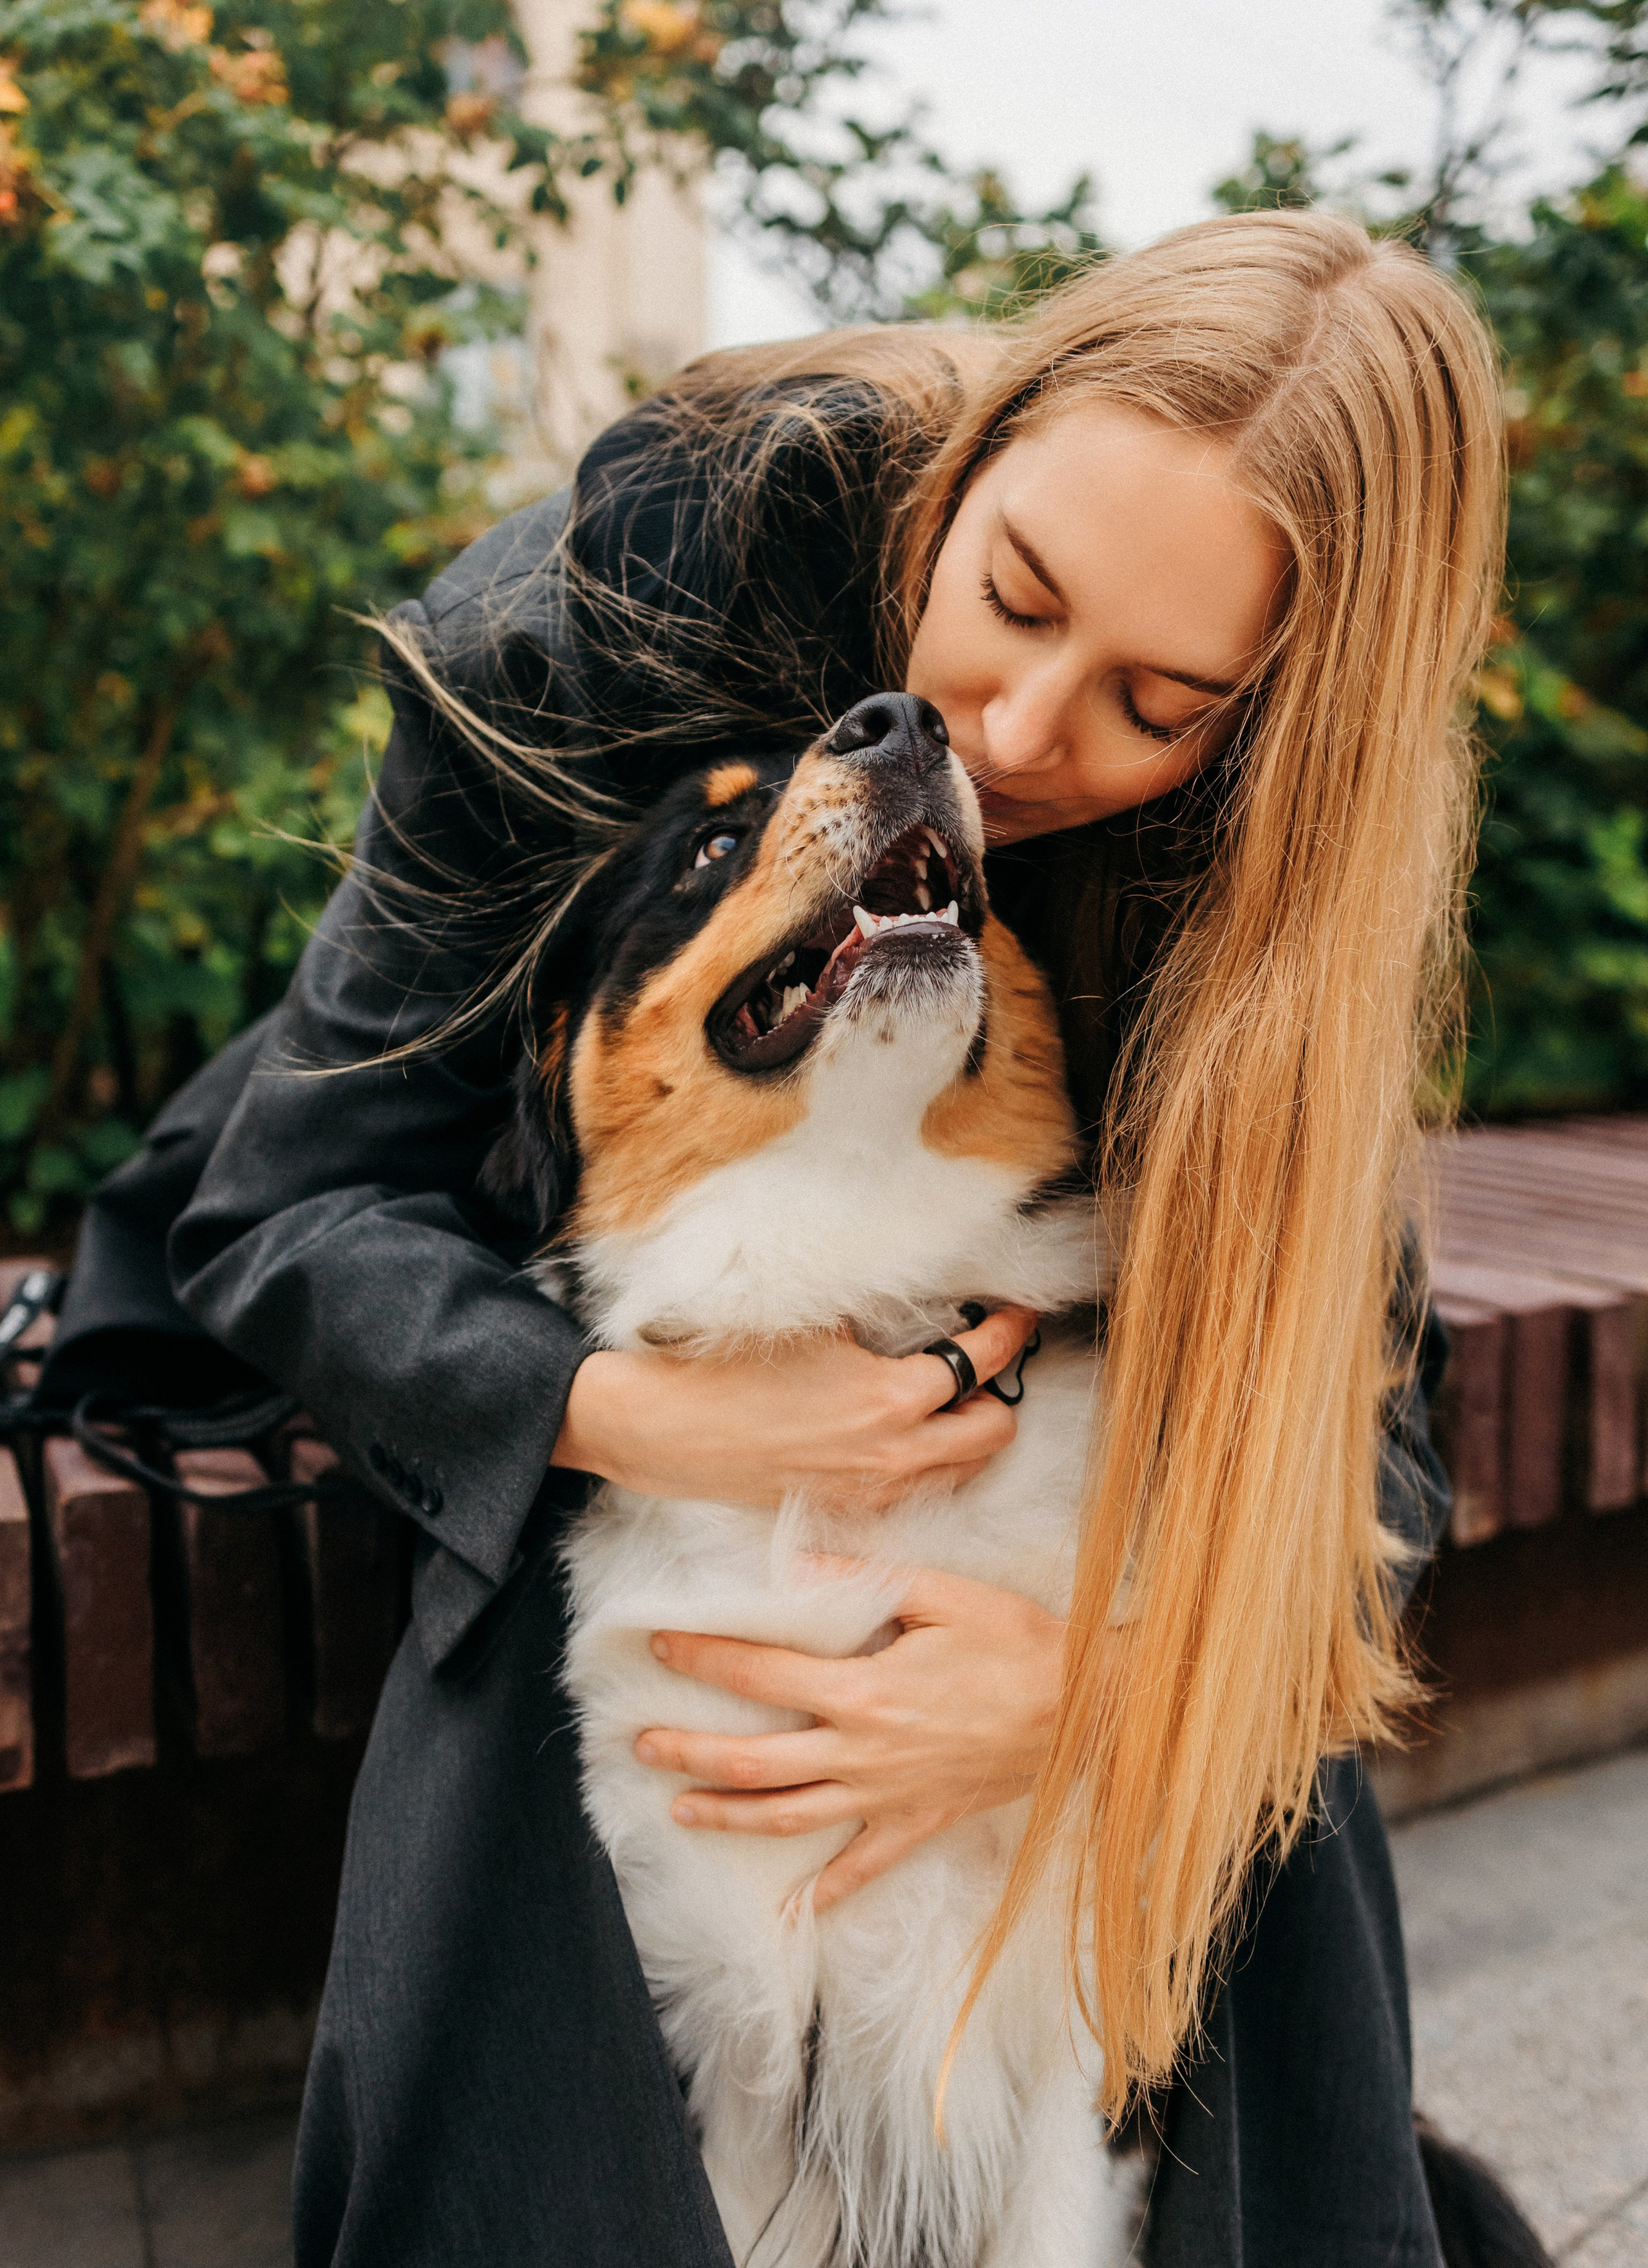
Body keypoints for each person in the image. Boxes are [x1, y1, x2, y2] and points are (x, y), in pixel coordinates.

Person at [165, 210, 1501, 2266]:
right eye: (1014, 597)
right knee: (533, 1674)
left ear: (1272, 728)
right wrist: (672, 1421)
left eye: (1159, 701)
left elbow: (1359, 1435)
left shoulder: (1284, 896)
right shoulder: (607, 604)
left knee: (1252, 1713)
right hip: (507, 1274)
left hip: (999, 1365)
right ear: (972, 458)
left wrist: (1118, 1693)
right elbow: (287, 1210)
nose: (1026, 736)